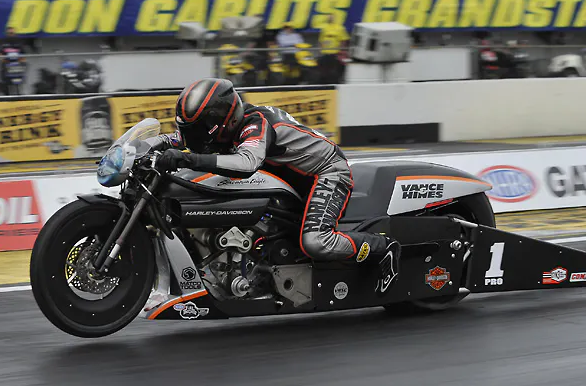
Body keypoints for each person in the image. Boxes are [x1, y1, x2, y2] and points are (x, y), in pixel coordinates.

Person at [153, 78, 401, 295]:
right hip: (291, 178)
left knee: (316, 241)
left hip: (327, 172)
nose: (194, 138)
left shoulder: (255, 124)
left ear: (223, 121)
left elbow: (247, 163)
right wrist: (144, 148)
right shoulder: (218, 130)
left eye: (200, 130)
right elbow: (173, 139)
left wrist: (188, 159)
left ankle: (383, 247)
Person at [317, 15, 349, 84]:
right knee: (324, 70)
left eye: (331, 18)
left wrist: (341, 51)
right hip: (325, 53)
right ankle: (324, 84)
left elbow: (343, 40)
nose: (330, 19)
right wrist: (320, 50)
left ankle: (334, 83)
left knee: (334, 71)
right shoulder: (324, 28)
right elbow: (321, 40)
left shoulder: (340, 28)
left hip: (336, 53)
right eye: (329, 18)